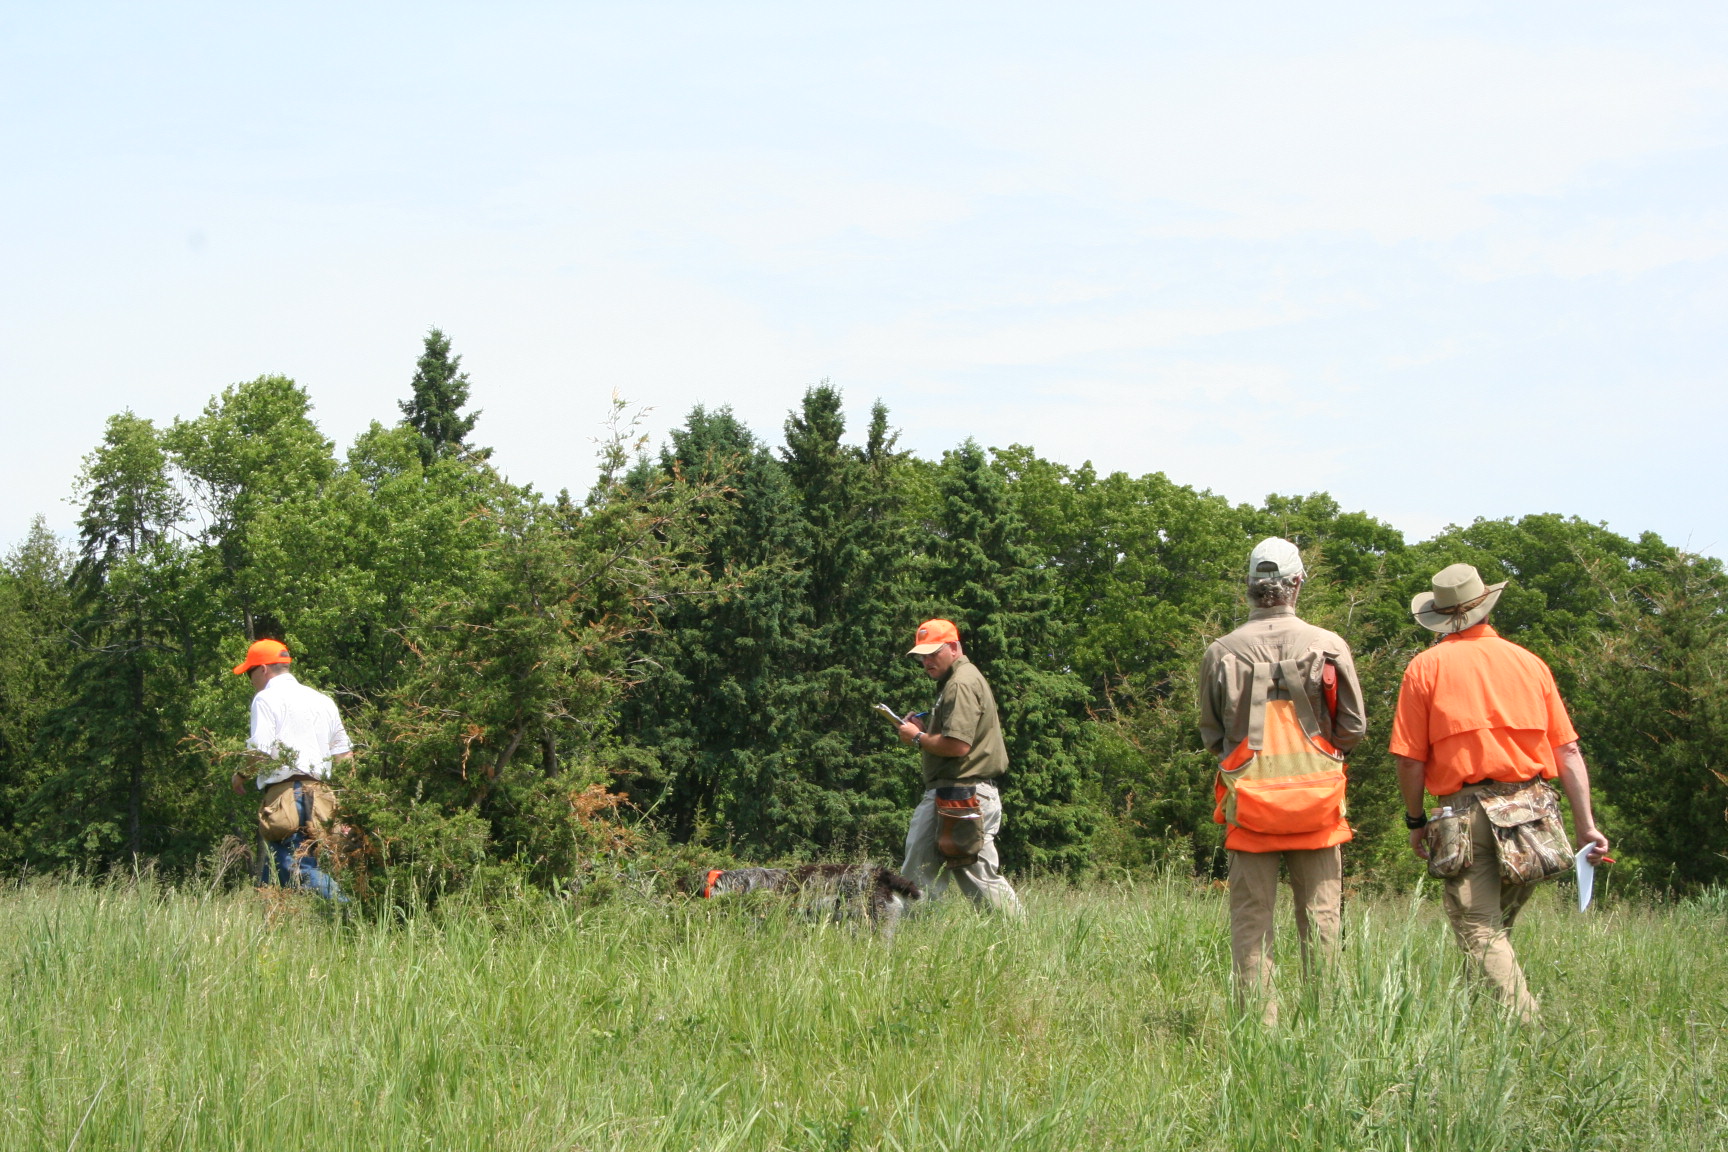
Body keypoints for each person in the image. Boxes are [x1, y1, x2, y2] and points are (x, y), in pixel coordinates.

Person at [1390, 563, 1609, 1020]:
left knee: (1477, 927)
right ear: (1487, 608)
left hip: (1467, 816)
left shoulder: (1425, 667)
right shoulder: (1529, 663)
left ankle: (1529, 1030)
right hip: (1533, 813)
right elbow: (1567, 750)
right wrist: (1586, 826)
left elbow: (1409, 760)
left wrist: (1415, 820)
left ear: (1440, 617)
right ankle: (1482, 1030)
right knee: (1494, 929)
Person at [1199, 537, 1367, 1022]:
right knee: (1321, 918)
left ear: (1250, 586)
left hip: (1250, 808)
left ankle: (1260, 1028)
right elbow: (1353, 729)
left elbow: (1212, 734)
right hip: (1318, 808)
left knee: (1252, 921)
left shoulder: (1221, 651)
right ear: (1297, 584)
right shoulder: (1329, 645)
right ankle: (1323, 1023)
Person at [894, 619, 1021, 911]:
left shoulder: (960, 684)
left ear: (953, 647)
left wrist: (917, 737)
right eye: (922, 656)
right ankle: (914, 936)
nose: (926, 662)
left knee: (967, 872)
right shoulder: (956, 681)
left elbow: (957, 746)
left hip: (963, 794)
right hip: (956, 792)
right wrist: (924, 731)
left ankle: (1018, 935)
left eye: (933, 653)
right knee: (925, 868)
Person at [230, 638, 352, 900]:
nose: (250, 680)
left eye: (250, 673)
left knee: (297, 867)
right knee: (274, 874)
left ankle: (348, 911)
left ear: (263, 669)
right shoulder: (322, 700)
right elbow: (344, 754)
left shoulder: (266, 698)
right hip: (322, 797)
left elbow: (261, 751)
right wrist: (350, 803)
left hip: (288, 797)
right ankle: (270, 921)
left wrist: (240, 776)